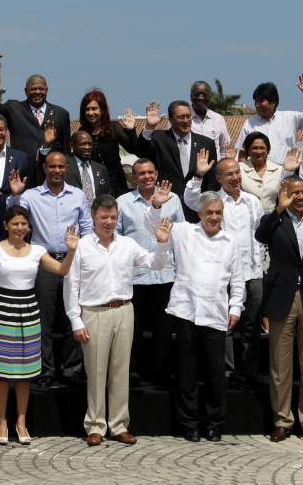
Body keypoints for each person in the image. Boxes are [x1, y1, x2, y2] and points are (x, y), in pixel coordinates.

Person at [65, 195, 171, 446]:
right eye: (104, 217)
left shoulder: (127, 244)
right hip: (94, 312)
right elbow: (71, 285)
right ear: (93, 217)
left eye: (113, 217)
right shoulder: (80, 246)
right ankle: (95, 425)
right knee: (96, 371)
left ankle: (119, 424)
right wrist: (75, 320)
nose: (109, 222)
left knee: (120, 372)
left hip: (124, 310)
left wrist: (162, 243)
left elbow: (154, 263)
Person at [0, 207, 78, 445]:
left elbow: (62, 270)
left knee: (25, 374)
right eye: (15, 224)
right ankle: (1, 421)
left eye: (24, 224)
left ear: (29, 227)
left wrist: (71, 251)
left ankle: (20, 422)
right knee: (0, 374)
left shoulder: (38, 251)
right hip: (1, 312)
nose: (20, 228)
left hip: (29, 313)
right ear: (6, 225)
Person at [152, 191, 245, 442]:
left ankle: (214, 423)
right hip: (186, 312)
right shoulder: (184, 232)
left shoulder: (231, 241)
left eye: (218, 213)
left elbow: (237, 280)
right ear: (200, 214)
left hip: (216, 314)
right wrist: (157, 205)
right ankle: (189, 424)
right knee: (187, 373)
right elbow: (153, 225)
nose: (214, 217)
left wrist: (235, 308)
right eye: (209, 213)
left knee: (216, 375)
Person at [255, 177, 303, 443]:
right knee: (280, 365)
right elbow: (260, 235)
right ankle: (282, 420)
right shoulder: (275, 221)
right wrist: (279, 208)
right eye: (294, 192)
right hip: (281, 300)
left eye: (302, 192)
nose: (300, 197)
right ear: (285, 194)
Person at [7, 151, 93, 388]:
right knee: (43, 319)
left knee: (71, 316)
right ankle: (45, 369)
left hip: (72, 261)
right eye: (52, 166)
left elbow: (86, 229)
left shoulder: (77, 196)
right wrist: (15, 196)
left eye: (61, 167)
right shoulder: (31, 196)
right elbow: (14, 215)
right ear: (44, 168)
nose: (56, 170)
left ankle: (71, 369)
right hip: (43, 261)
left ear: (67, 169)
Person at [184, 155, 265, 387]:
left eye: (238, 172)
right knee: (225, 325)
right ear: (219, 178)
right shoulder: (213, 201)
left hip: (253, 271)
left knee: (252, 325)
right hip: (223, 274)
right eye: (229, 174)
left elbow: (258, 235)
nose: (236, 177)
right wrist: (199, 175)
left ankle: (248, 370)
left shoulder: (253, 201)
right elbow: (190, 200)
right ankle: (225, 372)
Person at [117, 161, 184, 385]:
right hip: (134, 275)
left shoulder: (173, 199)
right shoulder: (122, 202)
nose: (146, 176)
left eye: (150, 172)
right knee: (132, 330)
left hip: (165, 274)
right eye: (141, 173)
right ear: (133, 178)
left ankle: (161, 373)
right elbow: (115, 238)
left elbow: (182, 235)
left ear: (156, 174)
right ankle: (133, 372)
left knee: (163, 330)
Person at [134, 100, 219, 223]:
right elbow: (139, 151)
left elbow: (212, 181)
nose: (186, 120)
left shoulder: (206, 143)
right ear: (171, 119)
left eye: (188, 116)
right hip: (166, 207)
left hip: (196, 210)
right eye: (181, 117)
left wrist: (208, 205)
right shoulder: (159, 138)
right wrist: (149, 127)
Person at [0, 65, 71, 158]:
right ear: (26, 91)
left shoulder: (61, 114)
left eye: (41, 89)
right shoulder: (14, 108)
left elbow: (66, 149)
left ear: (47, 90)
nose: (38, 92)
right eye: (33, 89)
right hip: (23, 168)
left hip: (52, 169)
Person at [234, 74, 303, 166]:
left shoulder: (290, 118)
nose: (257, 105)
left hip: (286, 173)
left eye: (261, 101)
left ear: (273, 102)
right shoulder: (250, 123)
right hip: (257, 175)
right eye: (255, 101)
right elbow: (242, 154)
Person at [77, 89, 136, 196]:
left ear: (102, 110)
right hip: (91, 182)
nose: (91, 113)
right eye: (87, 109)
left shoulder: (113, 127)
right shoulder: (82, 132)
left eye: (94, 108)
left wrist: (130, 130)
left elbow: (133, 148)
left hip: (115, 183)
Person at [239, 131, 299, 214]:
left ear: (268, 150)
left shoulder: (278, 170)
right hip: (246, 218)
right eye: (255, 148)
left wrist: (289, 171)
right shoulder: (239, 169)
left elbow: (287, 191)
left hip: (272, 218)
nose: (259, 151)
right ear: (248, 150)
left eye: (262, 148)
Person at [65, 130, 112, 207]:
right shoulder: (63, 166)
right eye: (83, 144)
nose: (87, 147)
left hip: (96, 215)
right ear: (72, 145)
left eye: (90, 144)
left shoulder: (101, 169)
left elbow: (107, 195)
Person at [189, 81, 231, 159]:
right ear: (191, 96)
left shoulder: (218, 119)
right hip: (190, 168)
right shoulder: (183, 118)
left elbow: (224, 148)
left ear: (209, 97)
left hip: (215, 168)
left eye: (204, 95)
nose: (201, 98)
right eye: (197, 94)